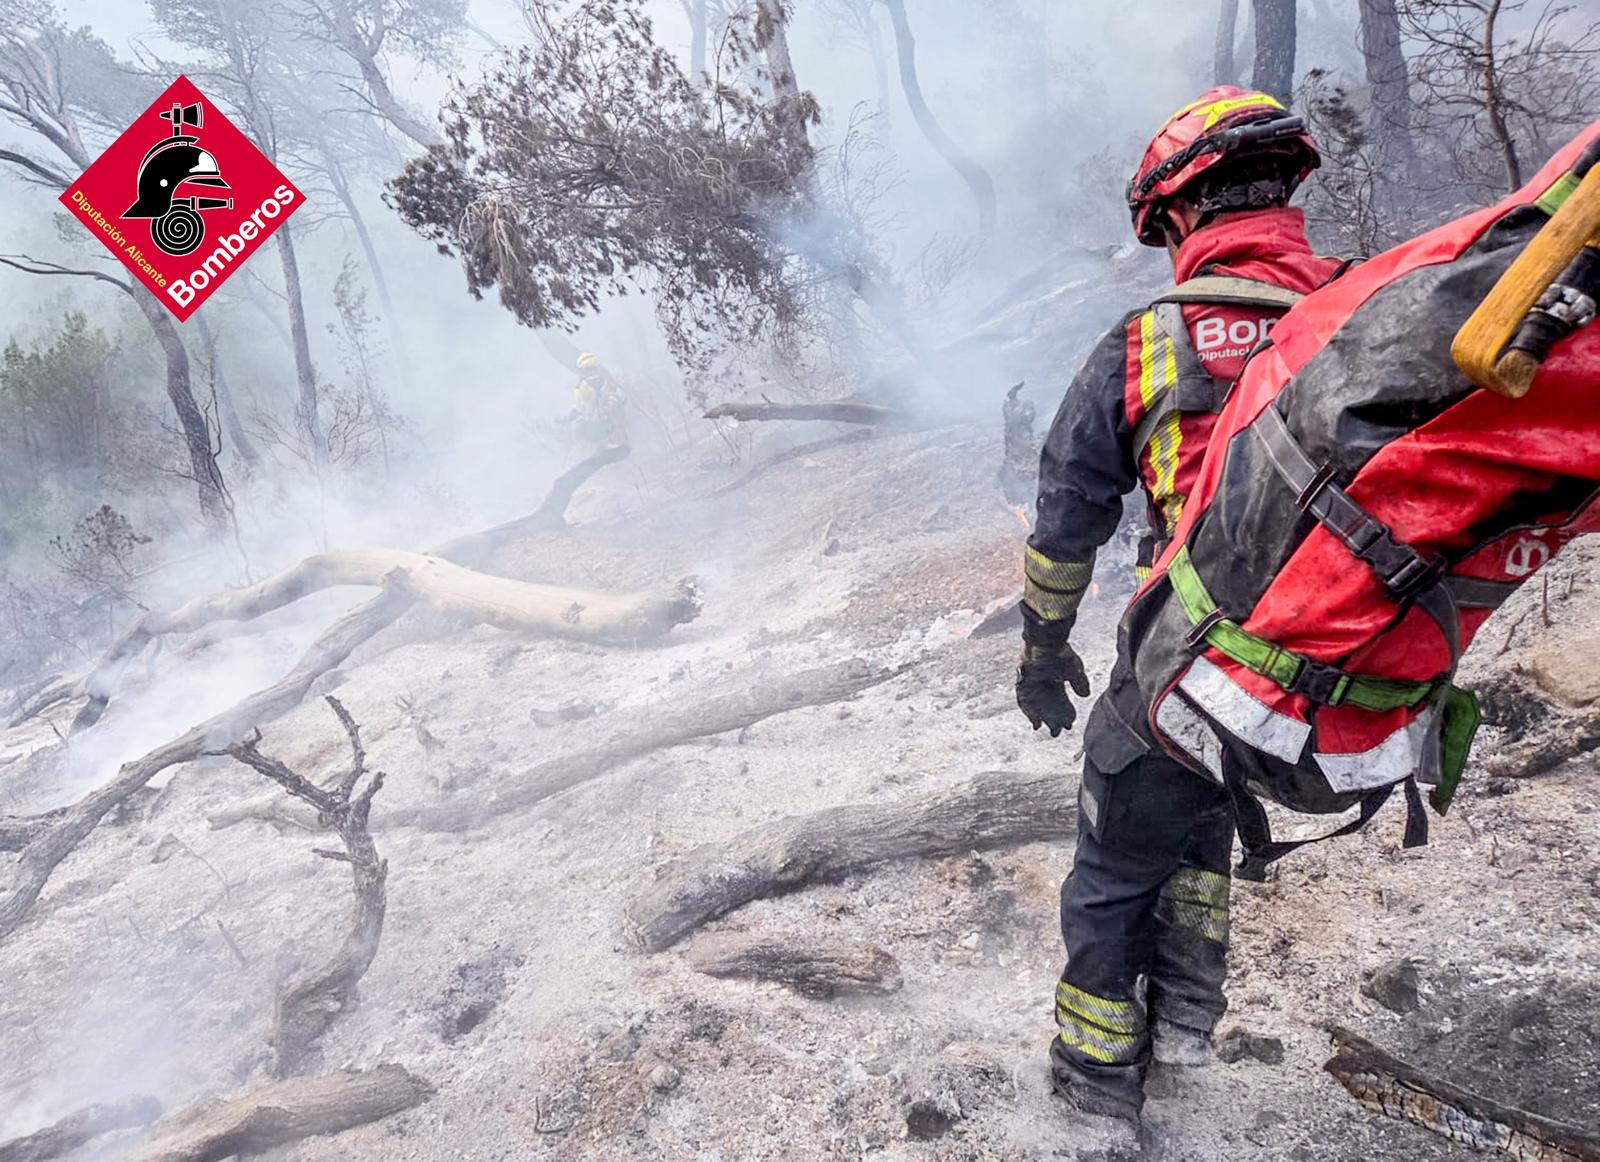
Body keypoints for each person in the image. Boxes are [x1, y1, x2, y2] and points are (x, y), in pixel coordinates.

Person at [1015, 87, 1345, 1123]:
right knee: (1194, 812)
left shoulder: (1149, 342)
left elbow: (1066, 518)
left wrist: (1040, 648)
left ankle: (1094, 1092)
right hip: (1334, 685)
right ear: (1284, 191)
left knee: (1114, 855)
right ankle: (1189, 1016)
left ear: (1178, 216)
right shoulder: (1372, 310)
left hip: (1194, 663)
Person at [569, 352, 628, 451]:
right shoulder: (606, 382)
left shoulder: (582, 387)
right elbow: (621, 396)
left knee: (580, 430)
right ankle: (603, 446)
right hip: (600, 422)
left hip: (599, 422)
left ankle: (594, 449)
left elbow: (580, 406)